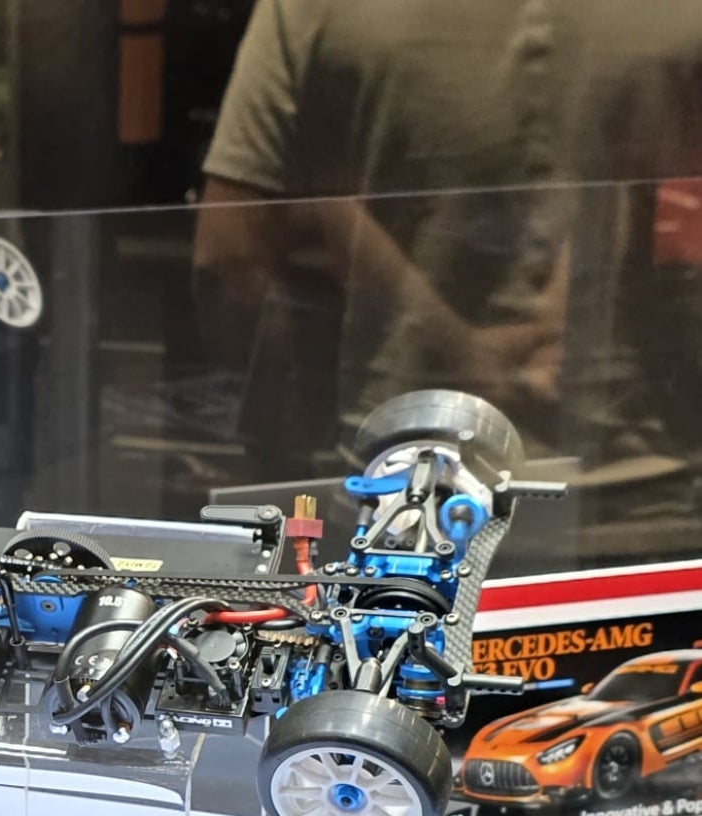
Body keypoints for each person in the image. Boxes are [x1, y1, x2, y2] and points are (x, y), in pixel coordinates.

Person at [193, 0, 702, 469]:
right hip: (649, 486)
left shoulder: (308, 9)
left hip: (407, 485)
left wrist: (290, 452)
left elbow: (229, 255)